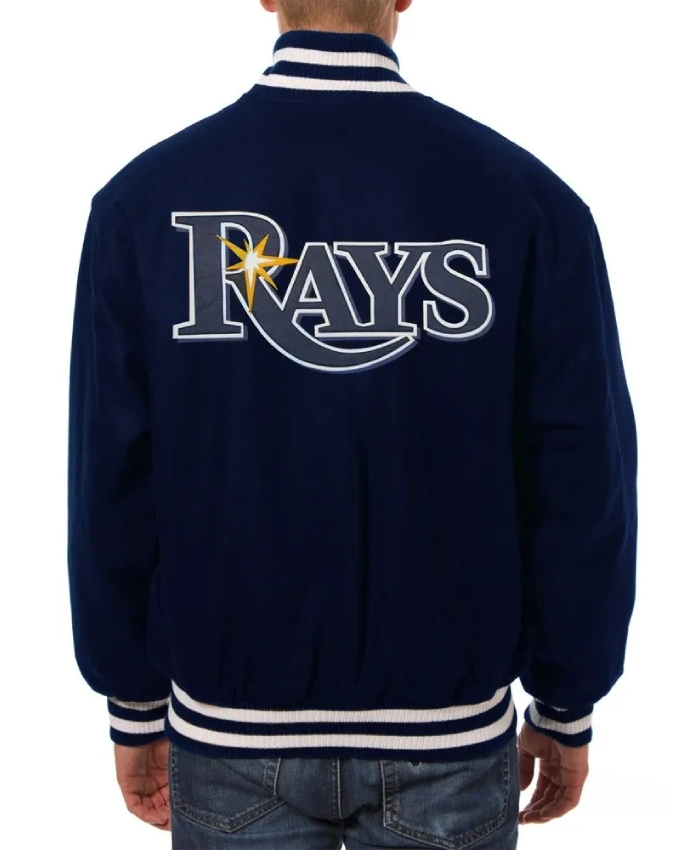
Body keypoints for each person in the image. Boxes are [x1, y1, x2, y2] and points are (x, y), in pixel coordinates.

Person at [66, 0, 638, 847]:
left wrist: (133, 701)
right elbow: (582, 474)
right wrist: (567, 699)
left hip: (228, 730)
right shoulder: (528, 201)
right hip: (448, 730)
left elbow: (111, 474)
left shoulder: (142, 202)